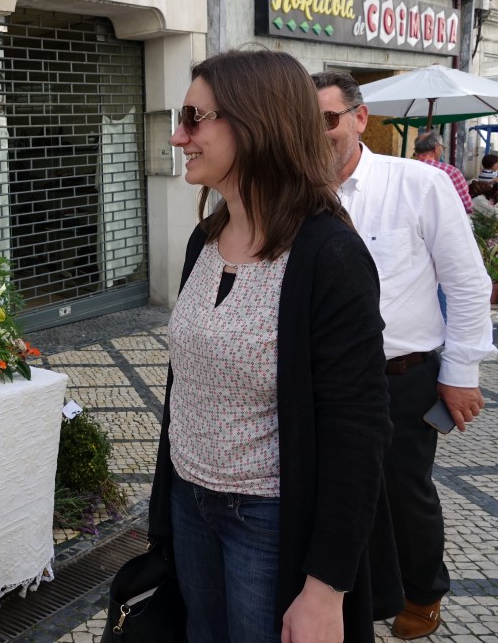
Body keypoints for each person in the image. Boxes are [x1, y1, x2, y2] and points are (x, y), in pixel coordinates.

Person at [149, 50, 401, 643]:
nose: (179, 136)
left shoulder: (328, 255)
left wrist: (325, 588)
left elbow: (358, 429)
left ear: (255, 123)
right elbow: (185, 382)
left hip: (267, 521)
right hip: (190, 502)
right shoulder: (205, 240)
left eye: (194, 117)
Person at [314, 70, 495, 640]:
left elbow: (467, 284)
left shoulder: (418, 184)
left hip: (400, 377)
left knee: (402, 492)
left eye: (328, 119)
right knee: (329, 490)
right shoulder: (296, 193)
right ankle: (343, 590)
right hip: (321, 379)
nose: (316, 132)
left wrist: (461, 373)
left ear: (360, 118)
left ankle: (422, 591)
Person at [412, 132, 472, 214]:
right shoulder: (451, 172)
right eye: (442, 146)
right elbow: (467, 205)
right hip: (442, 218)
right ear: (436, 148)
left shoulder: (406, 168)